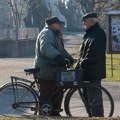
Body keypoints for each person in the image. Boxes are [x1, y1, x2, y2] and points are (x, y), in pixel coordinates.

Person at [34, 16, 73, 116]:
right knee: (46, 98)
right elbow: (46, 47)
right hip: (46, 72)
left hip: (55, 72)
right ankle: (44, 115)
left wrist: (69, 58)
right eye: (59, 24)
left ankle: (55, 113)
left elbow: (62, 50)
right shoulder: (46, 33)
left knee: (57, 95)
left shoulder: (55, 34)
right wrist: (58, 57)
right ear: (53, 24)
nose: (60, 26)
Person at [79, 12, 106, 117]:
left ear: (92, 20)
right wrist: (79, 61)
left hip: (94, 71)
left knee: (95, 99)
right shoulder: (89, 33)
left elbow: (95, 53)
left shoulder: (98, 33)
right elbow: (83, 52)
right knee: (86, 98)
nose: (84, 23)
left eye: (85, 21)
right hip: (86, 71)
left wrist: (83, 61)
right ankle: (91, 116)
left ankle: (98, 117)